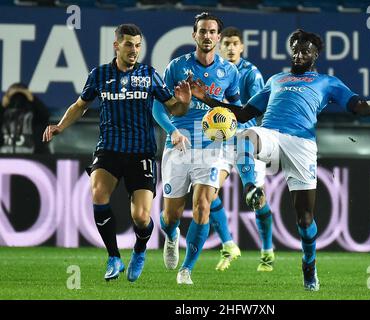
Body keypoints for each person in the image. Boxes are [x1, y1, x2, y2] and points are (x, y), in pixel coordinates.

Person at [189, 28, 370, 291]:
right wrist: (207, 98)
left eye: (305, 50)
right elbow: (243, 111)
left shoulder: (327, 82)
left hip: (302, 145)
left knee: (305, 219)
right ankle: (251, 188)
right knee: (244, 135)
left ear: (316, 55)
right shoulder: (276, 80)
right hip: (270, 134)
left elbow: (359, 107)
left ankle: (309, 263)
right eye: (295, 48)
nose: (299, 54)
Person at [42, 24, 191, 282]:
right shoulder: (99, 75)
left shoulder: (149, 75)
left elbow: (174, 110)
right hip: (109, 147)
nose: (134, 50)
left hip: (141, 151)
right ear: (116, 46)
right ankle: (113, 257)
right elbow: (80, 105)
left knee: (141, 217)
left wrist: (185, 102)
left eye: (137, 45)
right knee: (98, 192)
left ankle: (139, 249)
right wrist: (60, 126)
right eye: (129, 45)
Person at [152, 12, 241, 285]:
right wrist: (173, 130)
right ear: (194, 35)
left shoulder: (230, 72)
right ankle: (171, 234)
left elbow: (237, 110)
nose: (207, 36)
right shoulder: (176, 67)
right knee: (170, 216)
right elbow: (158, 107)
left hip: (213, 146)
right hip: (179, 144)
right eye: (202, 31)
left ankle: (186, 269)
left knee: (203, 204)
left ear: (218, 37)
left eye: (212, 31)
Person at [215, 26, 275, 272]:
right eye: (226, 43)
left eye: (234, 43)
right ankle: (229, 245)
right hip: (218, 140)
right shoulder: (213, 71)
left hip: (245, 140)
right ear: (221, 46)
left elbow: (259, 107)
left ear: (241, 47)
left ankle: (267, 251)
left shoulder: (251, 74)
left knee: (256, 199)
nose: (230, 47)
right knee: (208, 193)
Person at [1, 83, 50, 154]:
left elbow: (45, 116)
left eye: (21, 95)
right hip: (4, 157)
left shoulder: (34, 113)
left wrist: (32, 98)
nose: (17, 98)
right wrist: (3, 104)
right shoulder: (4, 112)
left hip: (32, 157)